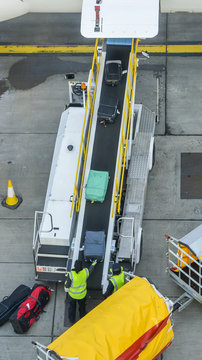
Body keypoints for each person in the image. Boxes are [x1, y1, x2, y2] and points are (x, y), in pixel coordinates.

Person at [64, 259, 97, 324]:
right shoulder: (85, 272)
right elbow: (90, 270)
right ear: (81, 267)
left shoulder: (71, 274)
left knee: (71, 308)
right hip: (82, 295)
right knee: (82, 308)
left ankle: (72, 321)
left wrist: (65, 283)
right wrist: (93, 264)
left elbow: (67, 286)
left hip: (72, 296)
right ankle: (82, 318)